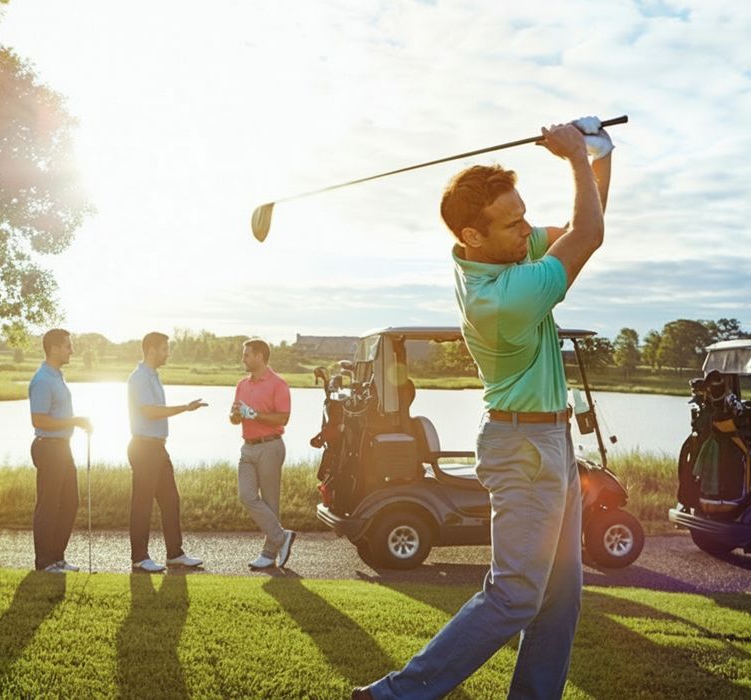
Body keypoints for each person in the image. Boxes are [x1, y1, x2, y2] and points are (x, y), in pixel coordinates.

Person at [355, 117, 613, 699]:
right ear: (473, 236)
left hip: (550, 443)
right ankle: (393, 696)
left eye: (524, 215)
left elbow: (582, 222)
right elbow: (588, 237)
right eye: (513, 221)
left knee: (560, 598)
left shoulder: (503, 254)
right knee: (516, 594)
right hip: (524, 448)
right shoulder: (504, 298)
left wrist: (599, 150)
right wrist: (576, 158)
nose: (527, 229)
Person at [127, 332, 207, 573]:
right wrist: (185, 408)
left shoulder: (153, 375)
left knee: (171, 501)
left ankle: (175, 554)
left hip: (157, 447)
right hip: (144, 448)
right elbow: (150, 412)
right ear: (151, 349)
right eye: (164, 349)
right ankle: (140, 558)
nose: (167, 353)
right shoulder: (139, 377)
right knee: (142, 504)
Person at [28, 328, 93, 573]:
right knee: (49, 505)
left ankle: (57, 558)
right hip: (48, 448)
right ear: (54, 348)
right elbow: (39, 420)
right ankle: (44, 562)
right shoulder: (43, 379)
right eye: (68, 346)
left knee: (69, 502)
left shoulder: (57, 375)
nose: (72, 350)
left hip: (62, 448)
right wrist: (74, 421)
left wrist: (75, 423)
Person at [229, 338, 296, 569]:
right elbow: (234, 417)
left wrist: (254, 415)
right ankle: (281, 537)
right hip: (248, 447)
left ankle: (269, 555)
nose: (243, 359)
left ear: (259, 356)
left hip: (270, 446)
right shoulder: (242, 384)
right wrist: (237, 415)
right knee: (246, 496)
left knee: (270, 502)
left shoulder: (278, 384)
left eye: (246, 355)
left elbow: (283, 418)